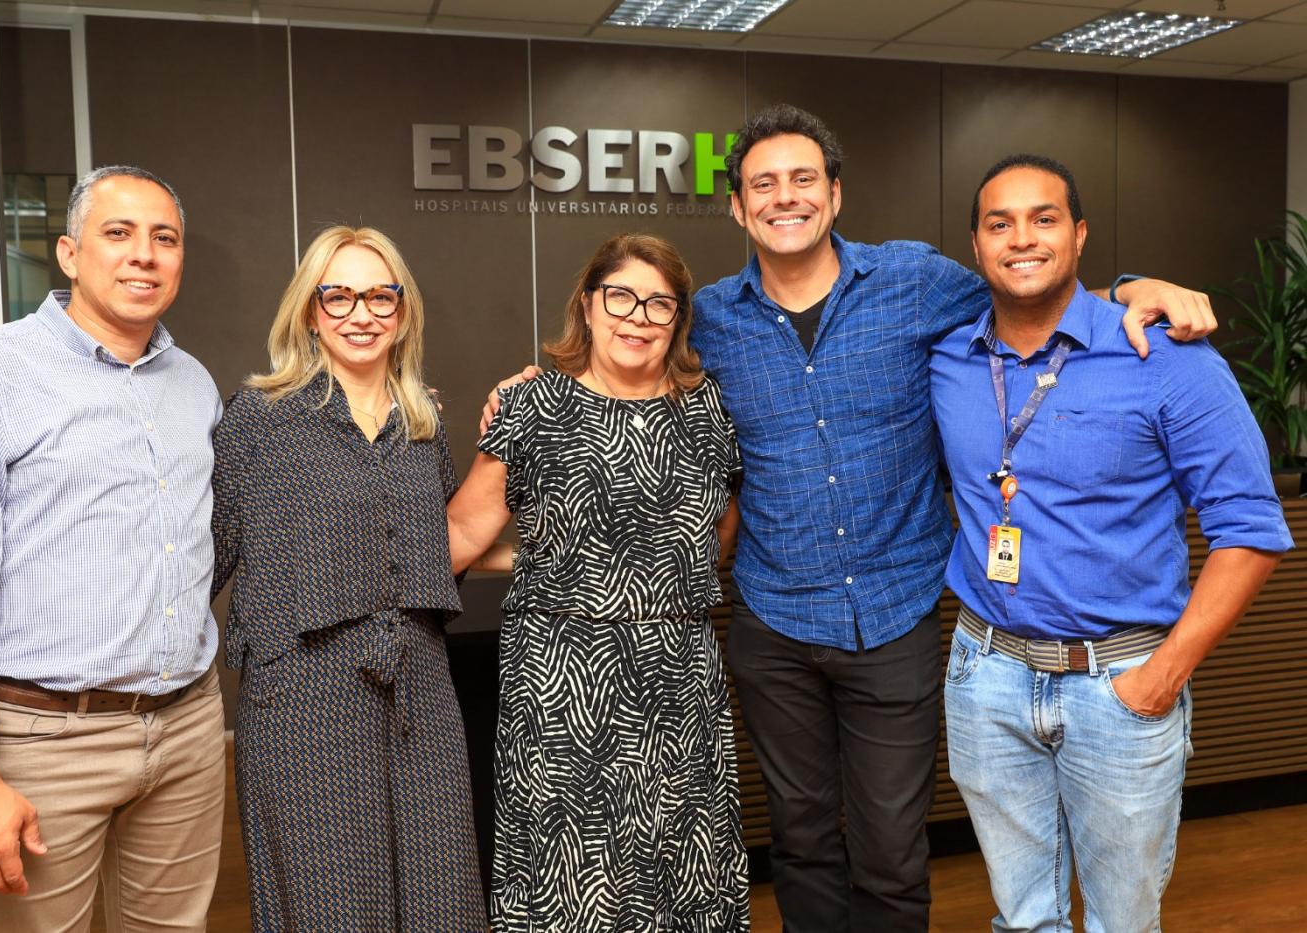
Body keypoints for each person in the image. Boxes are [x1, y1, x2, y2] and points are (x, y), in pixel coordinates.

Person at [483, 104, 1217, 933]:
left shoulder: (913, 280)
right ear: (737, 206)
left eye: (803, 179)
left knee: (892, 852)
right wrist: (534, 389)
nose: (784, 197)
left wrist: (1132, 287)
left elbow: (1032, 281)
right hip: (774, 619)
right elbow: (626, 345)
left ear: (834, 195)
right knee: (799, 842)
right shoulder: (712, 318)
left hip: (896, 614)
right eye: (763, 183)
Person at [931, 154, 1291, 931]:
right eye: (1000, 223)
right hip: (986, 675)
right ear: (975, 244)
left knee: (1123, 923)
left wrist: (1165, 675)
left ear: (1081, 234)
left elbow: (1251, 532)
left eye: (1044, 218)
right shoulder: (949, 358)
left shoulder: (1166, 359)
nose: (1021, 238)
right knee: (1023, 919)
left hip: (1121, 682)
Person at [0, 166, 225, 931]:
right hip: (44, 740)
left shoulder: (195, 384)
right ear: (70, 253)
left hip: (185, 729)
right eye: (118, 233)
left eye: (164, 238)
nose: (143, 254)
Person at [447, 233, 749, 931]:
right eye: (621, 296)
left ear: (677, 320)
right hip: (562, 690)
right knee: (572, 877)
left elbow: (719, 532)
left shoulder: (708, 413)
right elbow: (463, 532)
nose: (637, 316)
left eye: (659, 303)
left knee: (684, 866)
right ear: (588, 304)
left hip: (679, 684)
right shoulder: (533, 407)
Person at [210, 225, 487, 932]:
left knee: (441, 900)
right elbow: (203, 560)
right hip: (305, 697)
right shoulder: (259, 420)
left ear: (402, 309)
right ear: (309, 310)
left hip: (421, 687)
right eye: (338, 296)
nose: (360, 314)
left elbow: (439, 543)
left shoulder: (423, 422)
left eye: (378, 296)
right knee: (332, 907)